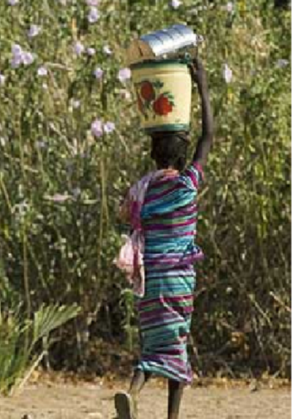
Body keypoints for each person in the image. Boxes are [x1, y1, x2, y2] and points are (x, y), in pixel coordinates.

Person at [114, 58, 213, 419]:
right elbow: (208, 136)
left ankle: (133, 390)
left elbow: (123, 214)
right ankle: (171, 417)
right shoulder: (187, 185)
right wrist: (201, 84)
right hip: (178, 274)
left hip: (150, 273)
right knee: (177, 341)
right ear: (183, 157)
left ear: (152, 153)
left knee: (153, 338)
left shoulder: (142, 187)